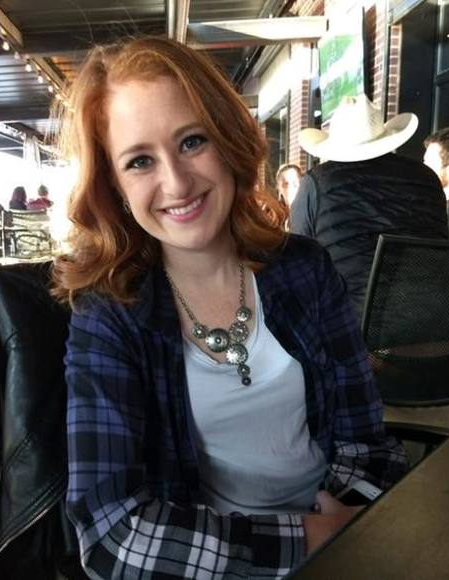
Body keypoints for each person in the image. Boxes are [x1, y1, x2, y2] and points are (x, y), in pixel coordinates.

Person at [53, 37, 407, 580]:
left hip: (342, 533)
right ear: (114, 186)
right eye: (140, 161)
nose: (176, 183)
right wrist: (308, 541)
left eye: (192, 141)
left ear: (228, 140)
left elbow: (365, 442)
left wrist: (346, 527)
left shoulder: (305, 268)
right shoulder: (109, 315)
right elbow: (111, 534)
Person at [291, 94, 448, 316]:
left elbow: (298, 258)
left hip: (351, 327)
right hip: (437, 319)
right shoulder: (427, 177)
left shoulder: (316, 183)